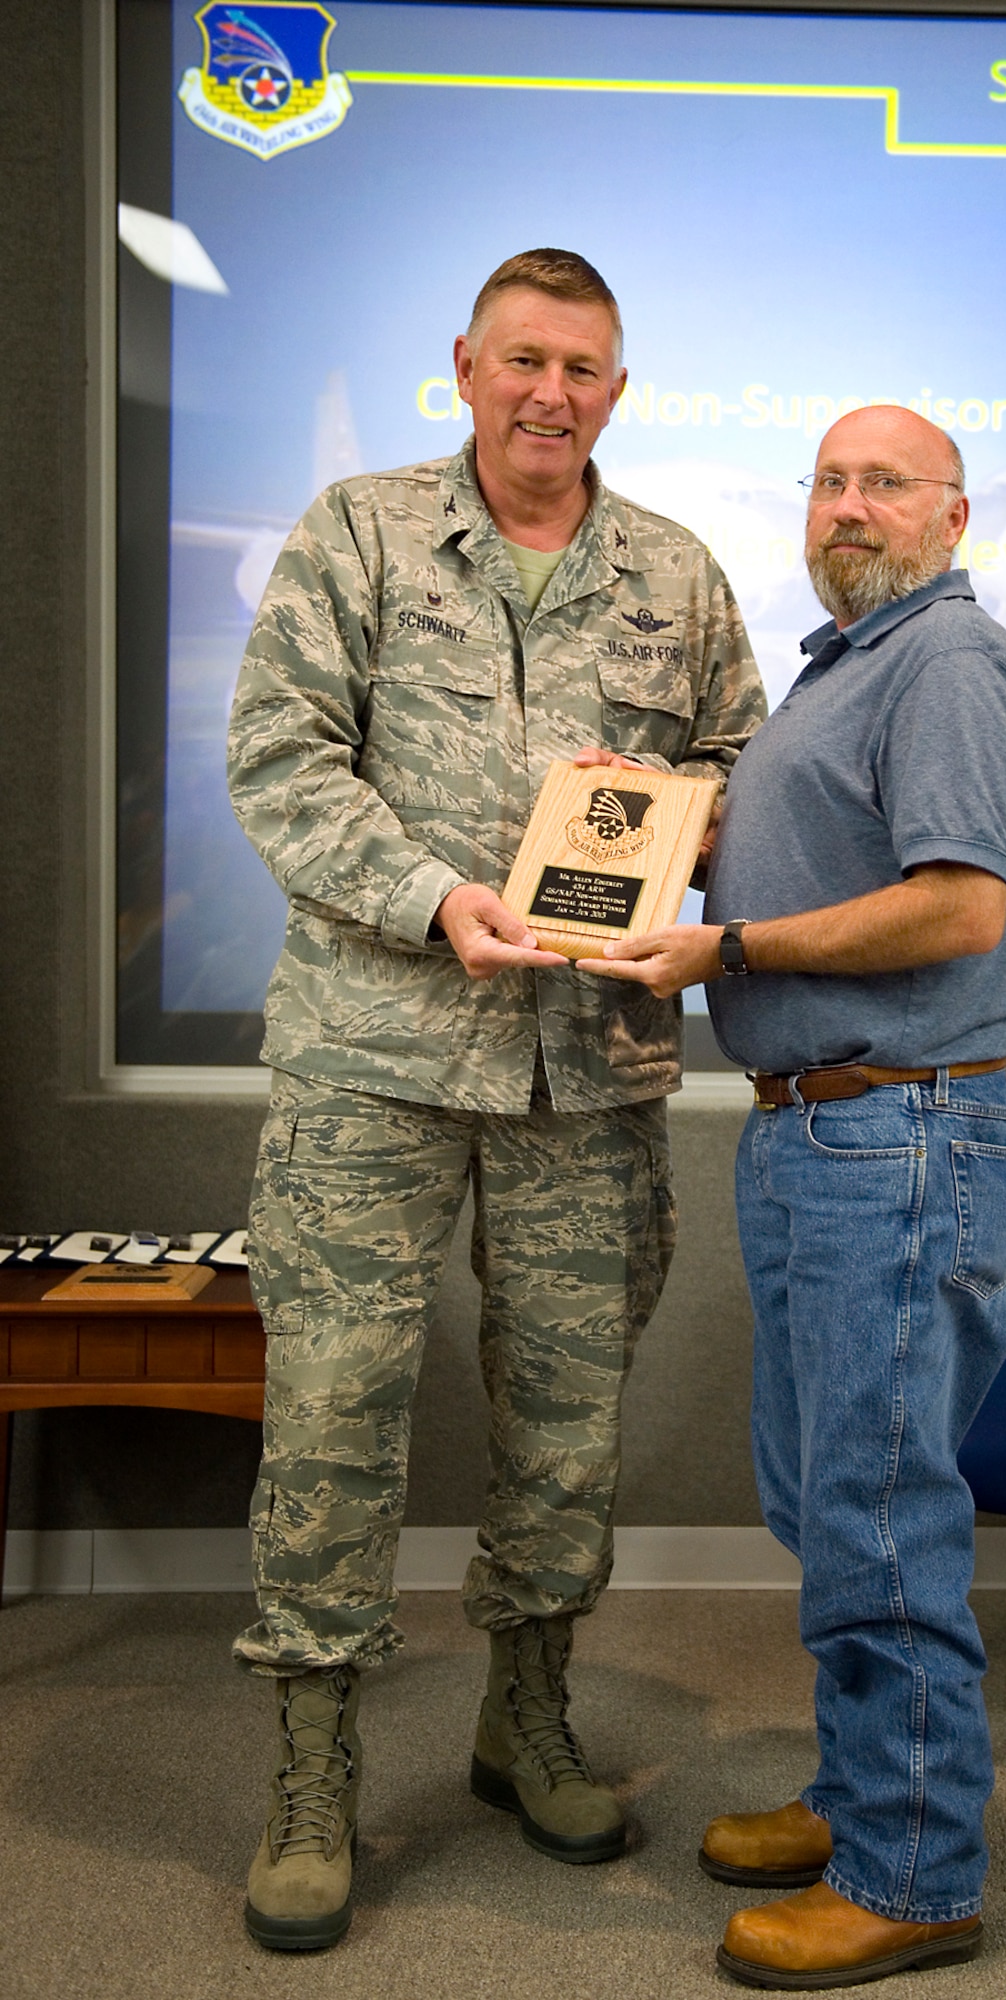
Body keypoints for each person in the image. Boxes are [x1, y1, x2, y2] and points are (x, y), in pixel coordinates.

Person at [226, 247, 765, 1951]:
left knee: (566, 1426)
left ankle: (519, 1714)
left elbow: (747, 762)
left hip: (586, 1075)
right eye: (522, 359)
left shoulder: (675, 575)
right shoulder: (360, 533)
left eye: (583, 368)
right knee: (328, 1417)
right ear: (463, 365)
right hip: (371, 1061)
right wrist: (427, 897)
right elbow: (280, 757)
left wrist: (688, 822)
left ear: (620, 388)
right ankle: (311, 1765)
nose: (551, 393)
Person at [580, 404, 1006, 1988]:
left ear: (952, 516)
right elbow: (790, 875)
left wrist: (727, 951)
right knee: (823, 1497)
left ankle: (915, 1876)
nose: (848, 507)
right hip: (819, 1138)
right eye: (829, 482)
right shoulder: (842, 669)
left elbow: (953, 910)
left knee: (878, 1513)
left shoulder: (949, 666)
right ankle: (869, 1798)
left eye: (884, 485)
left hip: (897, 1138)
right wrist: (632, 830)